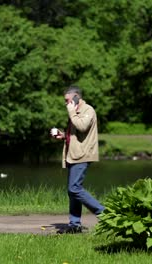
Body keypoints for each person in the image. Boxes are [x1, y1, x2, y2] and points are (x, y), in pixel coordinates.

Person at [51, 85, 104, 234]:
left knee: (74, 188)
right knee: (72, 191)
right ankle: (74, 225)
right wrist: (63, 135)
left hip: (82, 155)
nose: (66, 103)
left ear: (76, 97)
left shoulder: (88, 110)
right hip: (73, 155)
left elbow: (82, 126)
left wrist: (71, 111)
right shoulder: (75, 111)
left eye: (67, 100)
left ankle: (104, 214)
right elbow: (75, 134)